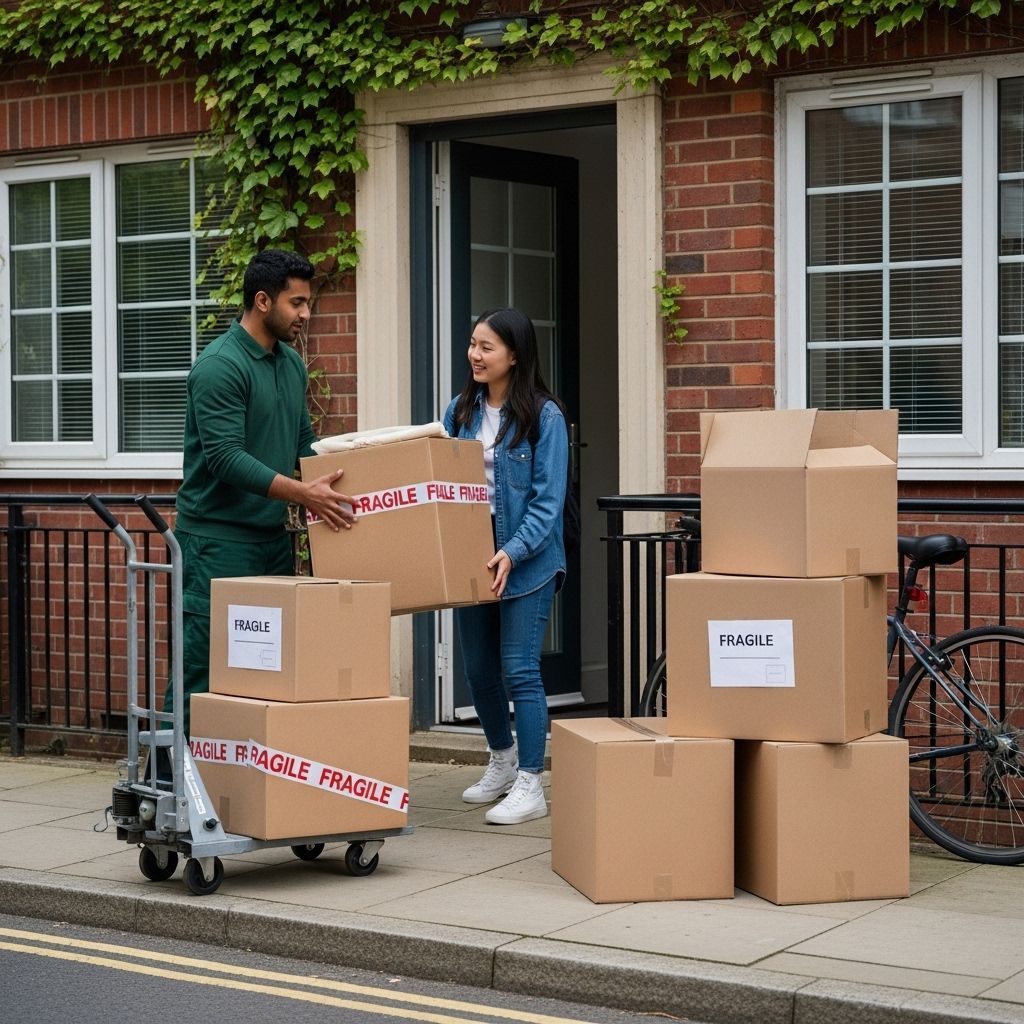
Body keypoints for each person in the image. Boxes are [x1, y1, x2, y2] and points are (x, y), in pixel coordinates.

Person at [169, 249, 356, 735]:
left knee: (263, 672)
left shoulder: (291, 365)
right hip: (218, 545)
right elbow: (225, 458)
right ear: (261, 300)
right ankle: (164, 785)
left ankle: (241, 784)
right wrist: (302, 495)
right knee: (202, 666)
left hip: (271, 543)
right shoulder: (219, 367)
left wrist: (354, 478)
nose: (305, 314)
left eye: (307, 303)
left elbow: (301, 446)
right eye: (296, 303)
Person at [443, 308, 568, 825]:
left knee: (520, 669)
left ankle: (531, 784)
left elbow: (547, 501)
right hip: (473, 551)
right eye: (473, 344)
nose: (475, 354)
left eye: (486, 346)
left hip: (527, 556)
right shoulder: (459, 411)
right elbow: (443, 481)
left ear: (514, 355)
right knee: (477, 671)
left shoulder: (545, 417)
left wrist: (511, 551)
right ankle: (501, 759)